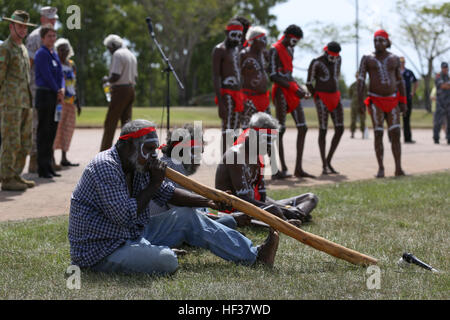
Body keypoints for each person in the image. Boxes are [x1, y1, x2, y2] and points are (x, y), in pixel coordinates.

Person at [68, 119, 280, 275]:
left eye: (155, 149)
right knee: (168, 261)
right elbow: (125, 216)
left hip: (130, 235)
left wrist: (208, 201)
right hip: (101, 250)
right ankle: (153, 252)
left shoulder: (137, 165)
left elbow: (168, 193)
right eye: (148, 149)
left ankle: (254, 256)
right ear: (128, 146)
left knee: (187, 216)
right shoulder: (106, 166)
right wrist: (154, 183)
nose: (153, 155)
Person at [215, 112, 318, 226]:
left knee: (311, 198)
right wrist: (282, 210)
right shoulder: (235, 155)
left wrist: (284, 207)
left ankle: (294, 216)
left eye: (272, 140)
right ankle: (287, 222)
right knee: (273, 209)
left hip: (256, 207)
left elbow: (262, 197)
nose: (269, 145)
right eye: (266, 139)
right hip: (236, 211)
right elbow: (243, 200)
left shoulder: (258, 156)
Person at [357, 30, 407, 178]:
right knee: (378, 133)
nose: (377, 43)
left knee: (396, 133)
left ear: (387, 42)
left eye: (381, 40)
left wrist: (403, 101)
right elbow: (361, 80)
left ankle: (398, 168)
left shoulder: (395, 59)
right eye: (375, 40)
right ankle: (381, 168)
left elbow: (400, 81)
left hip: (392, 100)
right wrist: (360, 101)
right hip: (375, 101)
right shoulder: (367, 58)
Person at [268, 25, 313, 180]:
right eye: (294, 40)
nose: (295, 43)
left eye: (297, 41)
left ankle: (298, 168)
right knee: (281, 129)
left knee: (303, 127)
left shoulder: (291, 50)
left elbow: (289, 74)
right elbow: (273, 75)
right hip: (281, 91)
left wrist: (300, 89)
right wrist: (294, 89)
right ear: (286, 35)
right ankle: (282, 167)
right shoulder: (275, 49)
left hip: (292, 90)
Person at [0, 10, 36, 191]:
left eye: (25, 27)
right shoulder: (5, 48)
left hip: (25, 102)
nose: (23, 30)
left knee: (25, 142)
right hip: (10, 103)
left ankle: (16, 175)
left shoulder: (22, 49)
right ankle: (6, 178)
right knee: (11, 141)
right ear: (11, 26)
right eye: (20, 26)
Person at [26, 6, 58, 174]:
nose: (53, 21)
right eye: (50, 18)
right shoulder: (34, 36)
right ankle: (34, 159)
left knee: (50, 125)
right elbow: (29, 62)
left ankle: (48, 158)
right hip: (37, 86)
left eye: (55, 19)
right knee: (37, 124)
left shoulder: (52, 37)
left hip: (50, 88)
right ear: (42, 19)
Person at [306, 42, 344, 175]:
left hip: (335, 96)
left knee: (340, 128)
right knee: (323, 130)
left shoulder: (338, 59)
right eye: (331, 57)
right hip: (321, 98)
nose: (334, 59)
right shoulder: (316, 62)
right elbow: (309, 82)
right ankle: (324, 165)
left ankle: (328, 161)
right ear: (326, 52)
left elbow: (336, 76)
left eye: (336, 57)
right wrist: (316, 95)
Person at [34, 24, 65, 178]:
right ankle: (42, 167)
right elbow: (47, 75)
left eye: (54, 36)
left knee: (52, 132)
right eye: (49, 36)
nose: (52, 39)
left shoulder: (54, 54)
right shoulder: (41, 54)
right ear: (43, 38)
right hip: (45, 95)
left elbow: (60, 74)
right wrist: (58, 90)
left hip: (55, 96)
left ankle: (49, 165)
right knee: (44, 132)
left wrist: (62, 88)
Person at [100, 34, 138, 151]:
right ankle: (129, 151)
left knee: (110, 123)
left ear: (113, 45)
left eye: (109, 48)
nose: (109, 51)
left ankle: (104, 151)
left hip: (120, 90)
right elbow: (135, 77)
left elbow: (116, 76)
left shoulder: (118, 54)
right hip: (131, 89)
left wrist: (106, 79)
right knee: (127, 124)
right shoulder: (131, 55)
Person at [212, 20, 245, 154]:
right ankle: (224, 163)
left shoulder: (238, 50)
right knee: (227, 129)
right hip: (226, 93)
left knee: (236, 128)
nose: (237, 39)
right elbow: (216, 76)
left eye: (239, 35)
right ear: (227, 33)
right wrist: (220, 102)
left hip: (238, 93)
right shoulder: (220, 50)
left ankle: (234, 162)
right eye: (234, 35)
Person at [53, 38, 81, 167]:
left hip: (70, 102)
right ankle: (52, 158)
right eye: (61, 49)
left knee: (67, 130)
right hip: (59, 102)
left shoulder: (71, 64)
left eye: (66, 49)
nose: (64, 51)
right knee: (56, 129)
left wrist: (78, 101)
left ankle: (64, 157)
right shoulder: (55, 63)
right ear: (57, 50)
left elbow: (74, 84)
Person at [240, 26, 271, 129]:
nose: (265, 42)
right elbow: (236, 75)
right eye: (263, 39)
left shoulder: (263, 55)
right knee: (249, 130)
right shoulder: (244, 54)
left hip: (263, 98)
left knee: (268, 129)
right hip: (249, 98)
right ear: (254, 40)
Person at [399, 57, 419, 143]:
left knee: (406, 118)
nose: (402, 64)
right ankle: (392, 138)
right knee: (394, 118)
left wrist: (412, 92)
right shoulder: (395, 72)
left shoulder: (409, 72)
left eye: (403, 62)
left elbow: (416, 82)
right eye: (400, 62)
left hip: (407, 98)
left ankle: (407, 138)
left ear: (405, 63)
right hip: (397, 99)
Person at [433, 62, 450, 144]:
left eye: (446, 68)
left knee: (449, 121)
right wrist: (447, 85)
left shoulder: (448, 76)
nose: (446, 69)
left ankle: (449, 137)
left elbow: (446, 85)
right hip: (440, 102)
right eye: (444, 68)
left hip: (448, 102)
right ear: (441, 68)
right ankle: (436, 138)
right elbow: (442, 85)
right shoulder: (438, 76)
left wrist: (447, 85)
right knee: (438, 121)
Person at [348, 72, 367, 139]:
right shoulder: (353, 85)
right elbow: (350, 94)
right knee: (353, 119)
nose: (358, 78)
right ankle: (352, 133)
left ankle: (363, 133)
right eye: (357, 76)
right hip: (354, 105)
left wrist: (364, 102)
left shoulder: (364, 85)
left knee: (362, 120)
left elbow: (367, 95)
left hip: (362, 105)